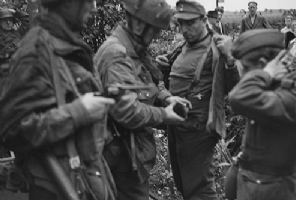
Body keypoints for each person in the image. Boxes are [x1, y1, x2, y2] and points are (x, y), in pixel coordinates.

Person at [0, 0, 119, 199]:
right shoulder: (36, 50)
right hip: (54, 186)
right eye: (87, 1)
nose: (93, 7)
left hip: (83, 177)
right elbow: (14, 129)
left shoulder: (64, 44)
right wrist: (79, 112)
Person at [94, 0, 191, 199]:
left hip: (130, 156)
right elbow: (126, 111)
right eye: (154, 30)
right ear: (139, 24)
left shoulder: (133, 49)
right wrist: (164, 115)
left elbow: (147, 84)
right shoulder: (116, 54)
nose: (156, 36)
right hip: (120, 160)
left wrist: (167, 99)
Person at [156, 1, 240, 199]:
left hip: (199, 130)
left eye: (190, 23)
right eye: (180, 24)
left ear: (204, 20)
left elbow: (235, 88)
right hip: (177, 126)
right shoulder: (181, 46)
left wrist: (230, 60)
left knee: (199, 189)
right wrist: (165, 66)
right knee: (183, 182)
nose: (184, 29)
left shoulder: (218, 47)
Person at [229, 29, 296, 200]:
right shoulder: (271, 87)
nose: (243, 76)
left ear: (263, 64)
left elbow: (238, 97)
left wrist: (265, 73)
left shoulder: (290, 93)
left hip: (272, 191)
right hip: (256, 184)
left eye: (246, 69)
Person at [0, 7, 28, 76]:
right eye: (5, 20)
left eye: (10, 20)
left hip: (19, 70)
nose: (8, 22)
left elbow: (27, 21)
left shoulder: (18, 33)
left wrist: (16, 11)